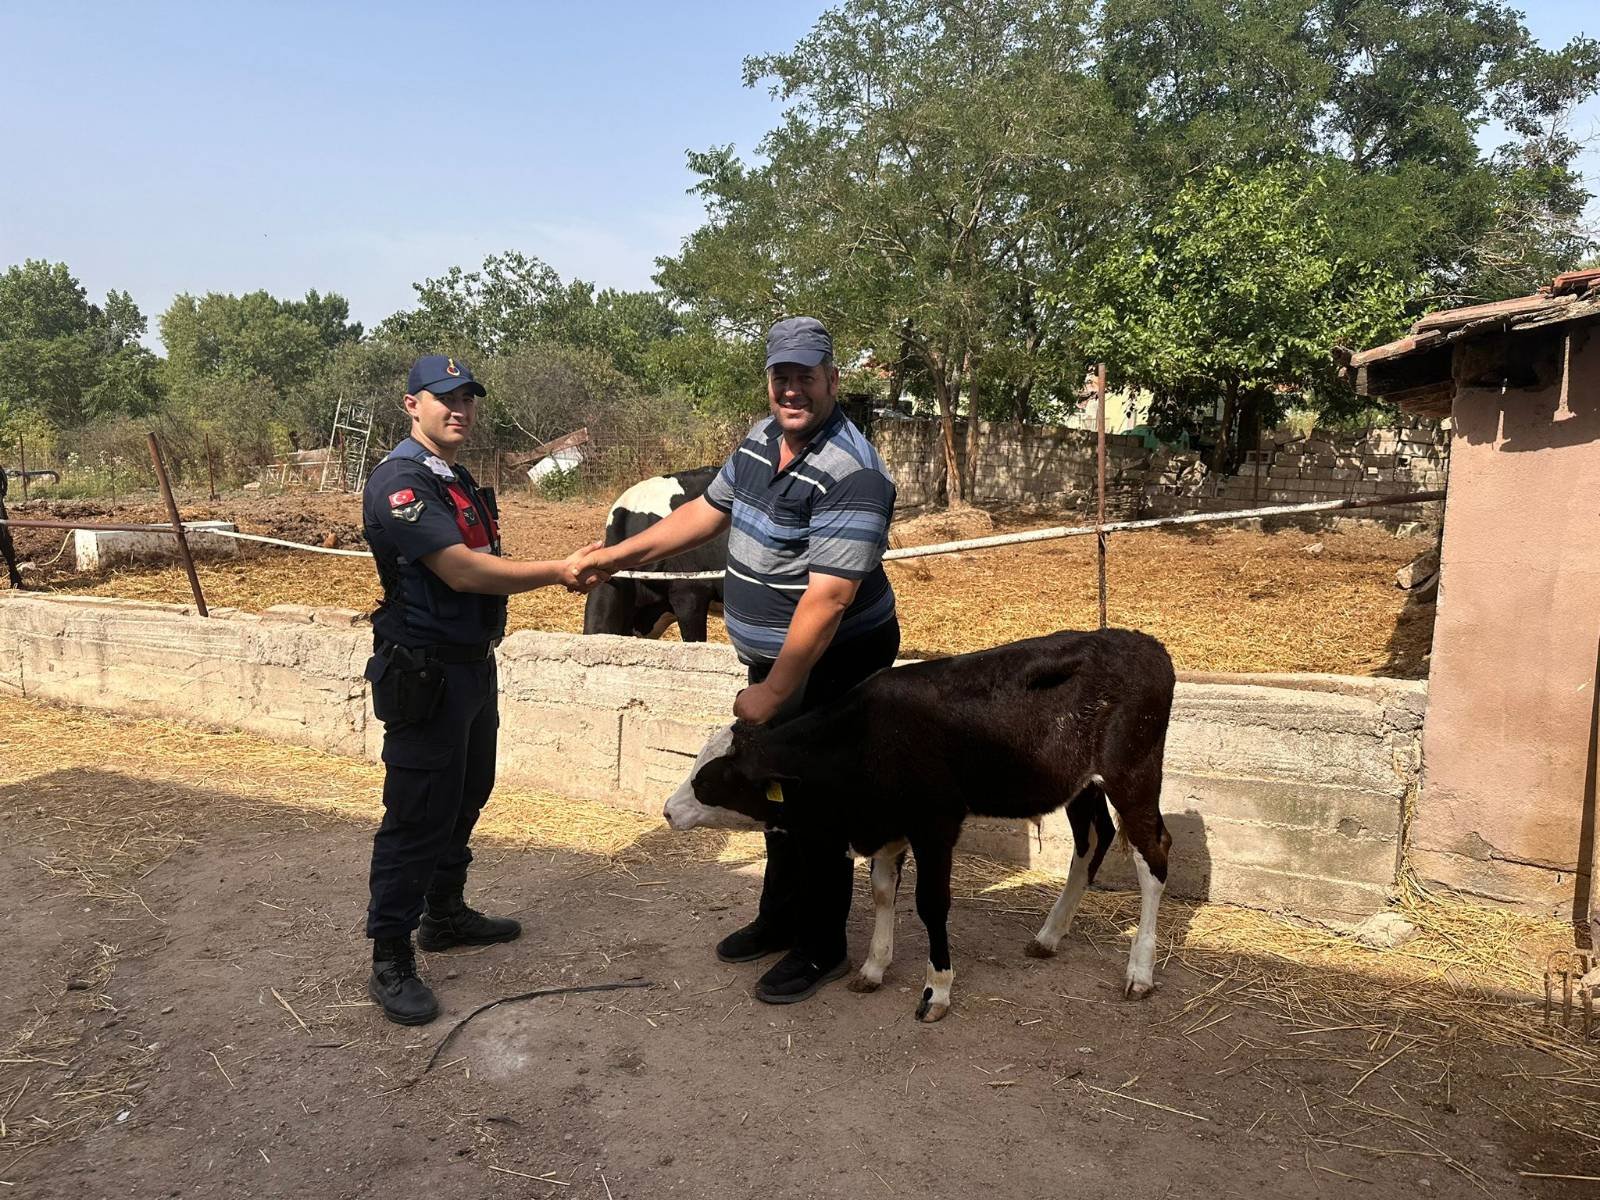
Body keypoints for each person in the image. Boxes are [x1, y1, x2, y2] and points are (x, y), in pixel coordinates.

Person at [574, 317, 899, 1004]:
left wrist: (777, 687)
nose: (792, 388)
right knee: (771, 789)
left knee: (815, 801)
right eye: (781, 375)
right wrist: (615, 557)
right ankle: (779, 918)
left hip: (833, 659)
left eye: (806, 375)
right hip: (779, 660)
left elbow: (831, 597)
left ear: (832, 380)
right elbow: (705, 512)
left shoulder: (854, 472)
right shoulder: (760, 439)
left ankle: (821, 946)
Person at [362, 354, 589, 1026]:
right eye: (444, 398)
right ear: (412, 404)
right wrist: (558, 570)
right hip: (424, 668)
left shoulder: (451, 477)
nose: (458, 408)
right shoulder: (402, 483)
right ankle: (390, 954)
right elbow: (461, 571)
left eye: (467, 398)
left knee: (467, 790)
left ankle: (445, 913)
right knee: (416, 811)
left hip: (468, 665)